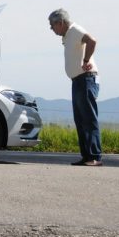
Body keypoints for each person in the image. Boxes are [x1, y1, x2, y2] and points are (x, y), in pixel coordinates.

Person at [48, 8, 102, 166]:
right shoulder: (67, 35)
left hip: (86, 78)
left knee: (88, 118)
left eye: (52, 25)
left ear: (61, 22)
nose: (51, 29)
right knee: (80, 120)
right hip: (78, 80)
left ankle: (94, 157)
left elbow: (92, 41)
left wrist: (86, 61)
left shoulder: (75, 30)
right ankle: (86, 156)